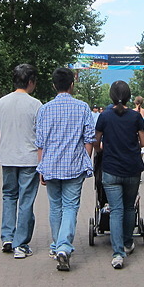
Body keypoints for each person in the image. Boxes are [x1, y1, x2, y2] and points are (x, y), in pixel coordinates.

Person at [35, 67, 95, 271]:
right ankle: (63, 246)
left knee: (55, 206)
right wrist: (86, 160)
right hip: (74, 165)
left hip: (50, 165)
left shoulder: (44, 109)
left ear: (54, 85)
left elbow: (40, 142)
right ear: (72, 84)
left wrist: (41, 166)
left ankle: (56, 246)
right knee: (70, 206)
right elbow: (89, 139)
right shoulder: (83, 107)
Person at [94, 81, 144, 269]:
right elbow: (143, 142)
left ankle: (117, 254)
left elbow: (96, 141)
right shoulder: (135, 117)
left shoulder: (104, 117)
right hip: (132, 168)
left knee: (116, 209)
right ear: (128, 96)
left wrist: (104, 148)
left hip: (111, 169)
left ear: (111, 96)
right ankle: (127, 242)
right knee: (129, 207)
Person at [0, 64, 43, 259]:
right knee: (26, 200)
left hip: (8, 157)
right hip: (29, 158)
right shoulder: (35, 104)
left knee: (9, 196)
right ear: (30, 82)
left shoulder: (2, 102)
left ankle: (7, 237)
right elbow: (41, 134)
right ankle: (21, 244)